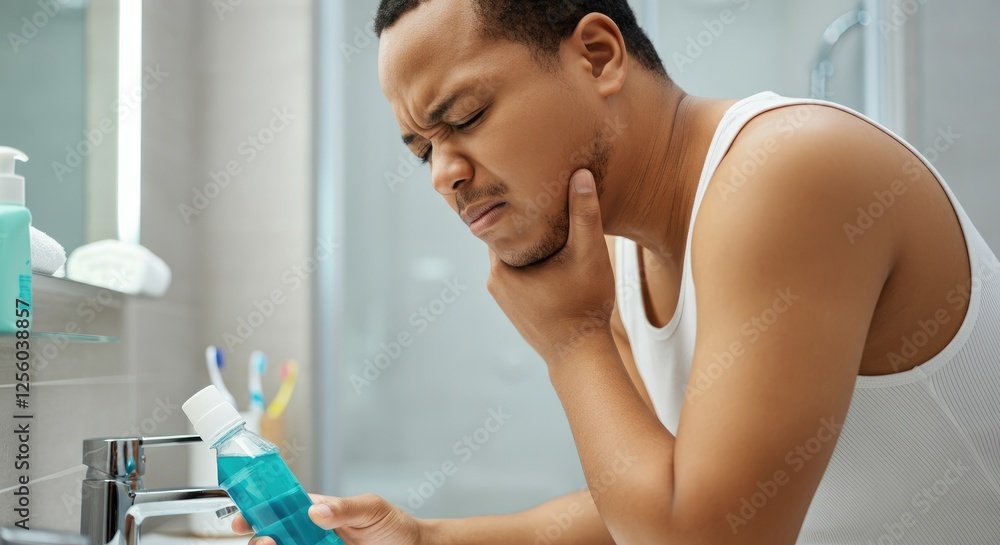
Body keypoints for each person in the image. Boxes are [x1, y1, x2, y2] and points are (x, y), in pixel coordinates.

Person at [236, 1, 1000, 543]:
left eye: (465, 117)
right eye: (421, 150)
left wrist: (571, 340)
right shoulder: (623, 250)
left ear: (598, 56)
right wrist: (427, 538)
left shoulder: (787, 167)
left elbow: (703, 537)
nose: (445, 174)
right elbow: (648, 506)